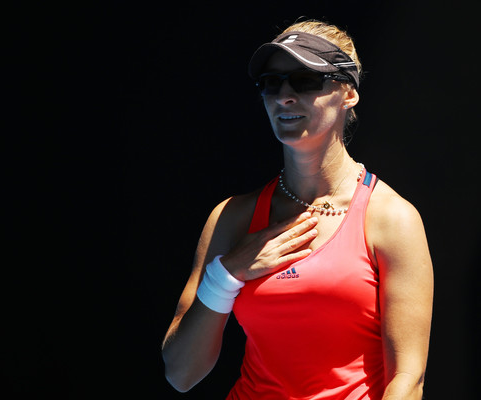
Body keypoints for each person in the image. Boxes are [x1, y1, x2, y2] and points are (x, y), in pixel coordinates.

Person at [162, 20, 434, 400]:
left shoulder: (393, 219)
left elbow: (407, 379)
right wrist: (227, 274)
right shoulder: (231, 217)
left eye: (305, 80)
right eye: (271, 83)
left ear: (348, 93)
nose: (284, 96)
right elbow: (180, 373)